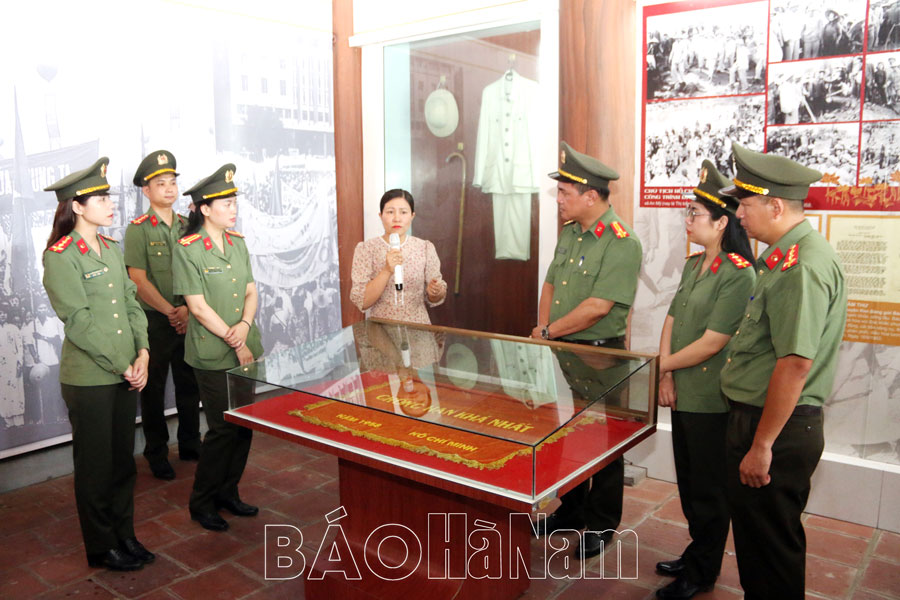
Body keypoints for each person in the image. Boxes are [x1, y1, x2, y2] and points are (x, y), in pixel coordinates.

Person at [719, 143, 847, 599]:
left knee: (771, 549)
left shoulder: (800, 266)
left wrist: (761, 445)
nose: (738, 215)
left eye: (746, 205)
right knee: (760, 543)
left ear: (775, 206)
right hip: (765, 419)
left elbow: (795, 364)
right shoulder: (785, 256)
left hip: (776, 427)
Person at [42, 157, 154, 571]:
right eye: (101, 198)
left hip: (127, 370)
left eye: (109, 197)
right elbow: (79, 322)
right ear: (77, 206)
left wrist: (143, 353)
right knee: (95, 467)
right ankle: (102, 545)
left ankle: (124, 534)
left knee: (123, 462)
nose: (111, 204)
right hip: (90, 378)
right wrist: (124, 363)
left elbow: (131, 304)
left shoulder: (110, 248)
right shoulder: (61, 256)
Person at [531, 142, 642, 559]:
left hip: (601, 357)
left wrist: (548, 331)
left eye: (565, 193)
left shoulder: (621, 242)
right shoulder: (571, 233)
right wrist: (546, 333)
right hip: (563, 351)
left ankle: (601, 524)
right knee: (569, 437)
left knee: (606, 444)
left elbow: (599, 307)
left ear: (590, 196)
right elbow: (550, 284)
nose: (559, 199)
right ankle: (571, 510)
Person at [654, 161, 755, 600]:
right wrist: (666, 372)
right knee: (690, 484)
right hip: (683, 390)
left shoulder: (739, 272)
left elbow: (713, 342)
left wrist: (665, 366)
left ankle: (702, 572)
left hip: (712, 399)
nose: (688, 220)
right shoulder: (695, 265)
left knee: (710, 492)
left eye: (694, 213)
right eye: (688, 213)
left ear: (721, 222)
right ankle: (697, 551)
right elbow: (671, 320)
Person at [173, 163, 264, 532]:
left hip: (244, 344)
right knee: (222, 428)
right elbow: (197, 307)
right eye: (225, 203)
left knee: (244, 426)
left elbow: (251, 291)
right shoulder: (188, 249)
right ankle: (202, 502)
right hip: (212, 353)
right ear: (205, 209)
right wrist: (234, 338)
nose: (233, 208)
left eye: (234, 201)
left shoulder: (237, 242)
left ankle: (229, 492)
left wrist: (244, 328)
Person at [124, 150, 201, 480]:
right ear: (146, 190)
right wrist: (171, 311)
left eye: (172, 182)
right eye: (161, 184)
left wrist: (186, 309)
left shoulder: (186, 225)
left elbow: (196, 271)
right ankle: (156, 452)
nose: (169, 189)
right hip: (155, 321)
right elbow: (137, 280)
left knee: (189, 383)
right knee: (153, 390)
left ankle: (190, 443)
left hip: (187, 314)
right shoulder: (138, 229)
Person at [349, 189, 447, 324]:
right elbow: (363, 302)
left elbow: (436, 297)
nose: (397, 218)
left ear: (412, 216)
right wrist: (387, 270)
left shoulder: (424, 247)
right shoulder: (366, 249)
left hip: (418, 326)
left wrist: (435, 292)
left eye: (403, 212)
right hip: (381, 329)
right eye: (390, 212)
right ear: (380, 215)